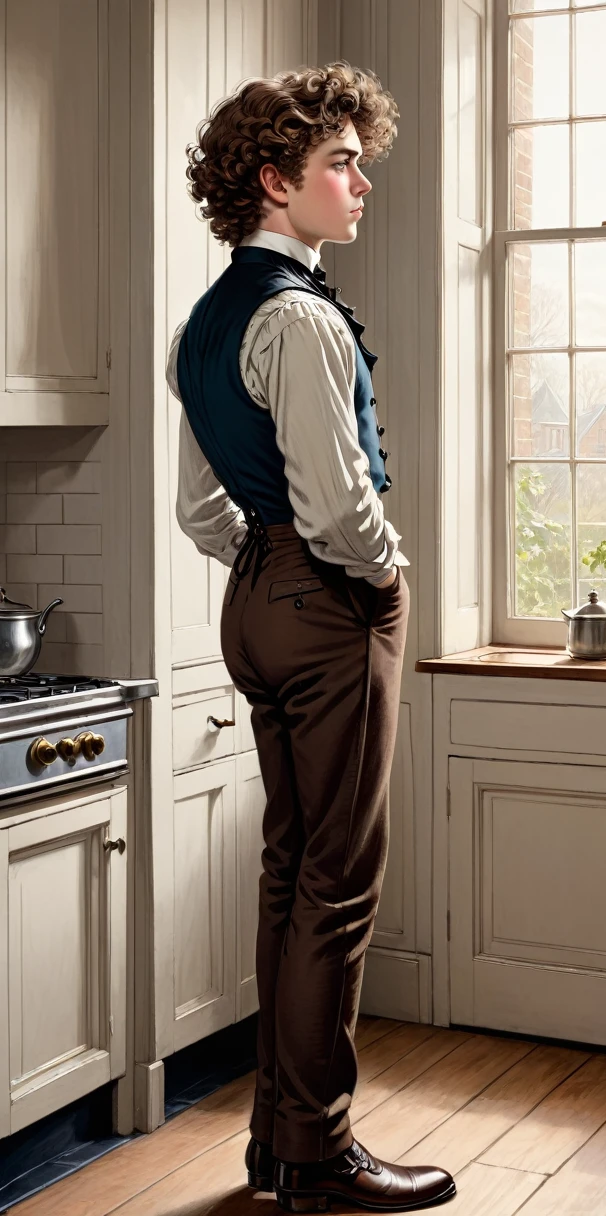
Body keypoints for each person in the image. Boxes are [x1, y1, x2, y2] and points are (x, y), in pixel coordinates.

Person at [166, 63, 456, 1213]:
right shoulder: (299, 315)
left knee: (292, 871)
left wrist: (268, 557)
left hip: (252, 595)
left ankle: (276, 1147)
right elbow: (339, 510)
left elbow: (200, 509)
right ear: (276, 181)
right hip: (326, 601)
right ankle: (316, 1153)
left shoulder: (204, 321)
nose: (362, 180)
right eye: (341, 161)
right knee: (336, 884)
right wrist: (384, 572)